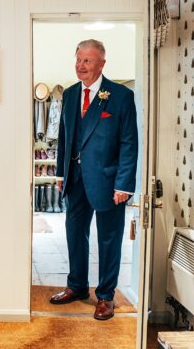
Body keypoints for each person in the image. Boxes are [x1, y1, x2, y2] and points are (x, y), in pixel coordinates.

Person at [50, 39, 138, 320]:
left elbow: (128, 142)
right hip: (75, 180)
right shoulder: (71, 93)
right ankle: (76, 286)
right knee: (75, 235)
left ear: (102, 63)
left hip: (108, 183)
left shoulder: (121, 96)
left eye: (87, 60)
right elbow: (65, 135)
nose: (80, 65)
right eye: (78, 59)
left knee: (109, 240)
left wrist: (124, 184)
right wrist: (61, 172)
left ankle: (106, 296)